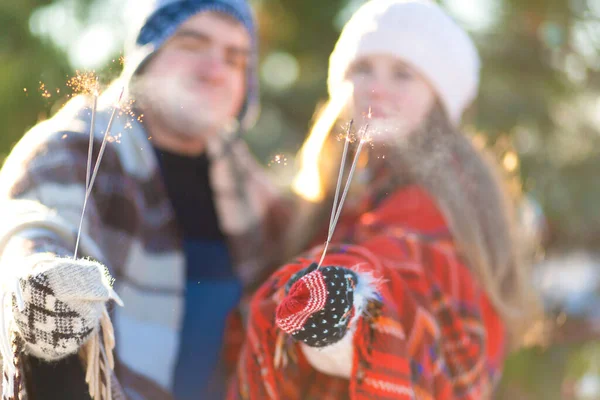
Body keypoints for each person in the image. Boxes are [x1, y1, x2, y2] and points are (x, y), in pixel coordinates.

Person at [229, 1, 541, 399]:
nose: (376, 87)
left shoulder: (446, 204)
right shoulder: (337, 195)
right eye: (362, 69)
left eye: (403, 74)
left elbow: (405, 277)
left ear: (439, 102)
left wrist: (343, 295)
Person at [0, 0, 289, 398]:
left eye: (235, 58)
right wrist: (42, 277)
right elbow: (30, 232)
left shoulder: (249, 189)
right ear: (147, 55)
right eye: (192, 44)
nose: (214, 69)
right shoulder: (73, 148)